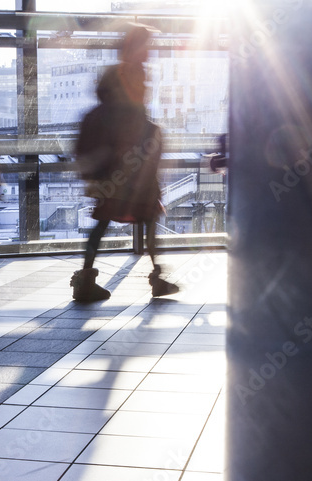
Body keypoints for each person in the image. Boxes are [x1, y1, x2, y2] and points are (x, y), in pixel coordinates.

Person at [74, 25, 179, 302]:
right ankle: (157, 278)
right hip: (132, 163)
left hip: (118, 165)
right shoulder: (133, 74)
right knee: (147, 217)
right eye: (146, 45)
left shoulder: (116, 73)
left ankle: (85, 279)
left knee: (106, 219)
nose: (149, 51)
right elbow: (135, 116)